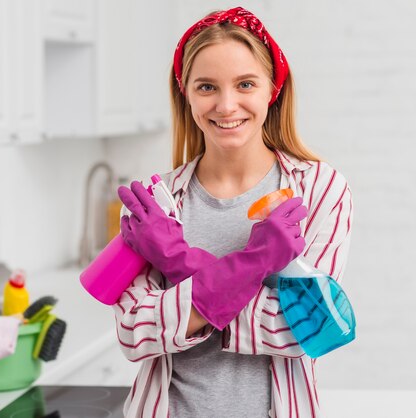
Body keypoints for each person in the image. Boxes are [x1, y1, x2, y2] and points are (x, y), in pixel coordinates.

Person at [114, 7, 353, 418]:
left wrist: (177, 261)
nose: (227, 106)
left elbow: (307, 328)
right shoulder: (154, 202)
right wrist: (255, 263)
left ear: (272, 89)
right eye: (207, 87)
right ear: (185, 93)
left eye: (245, 84)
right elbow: (134, 331)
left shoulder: (318, 189)